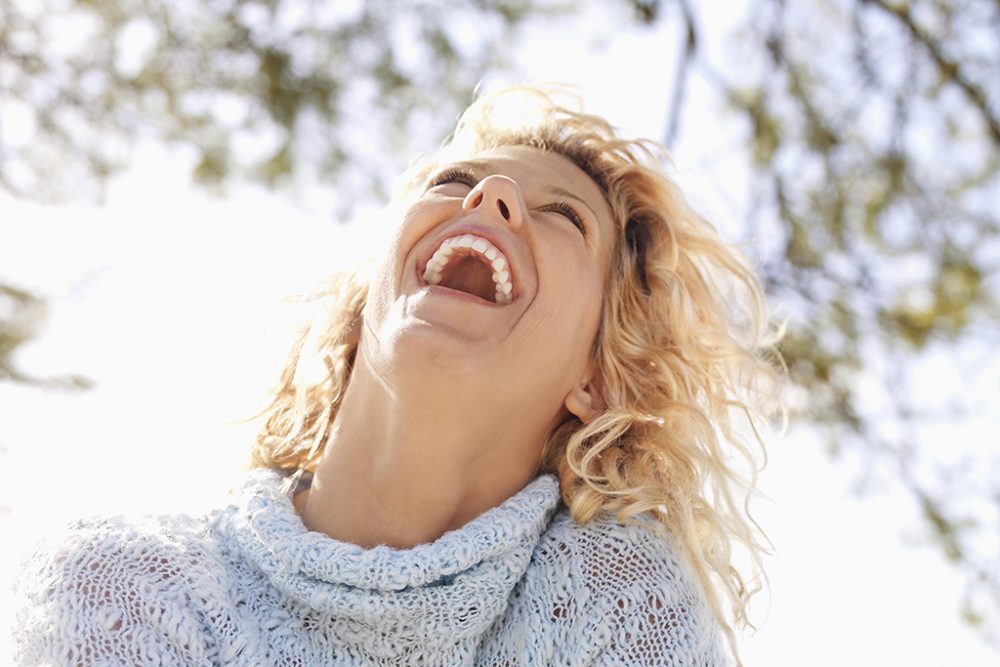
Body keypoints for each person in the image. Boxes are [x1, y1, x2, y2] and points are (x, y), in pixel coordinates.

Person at [13, 86, 781, 666]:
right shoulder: (118, 588)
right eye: (455, 182)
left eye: (564, 216)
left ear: (599, 380)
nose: (492, 197)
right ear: (363, 305)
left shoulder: (621, 599)